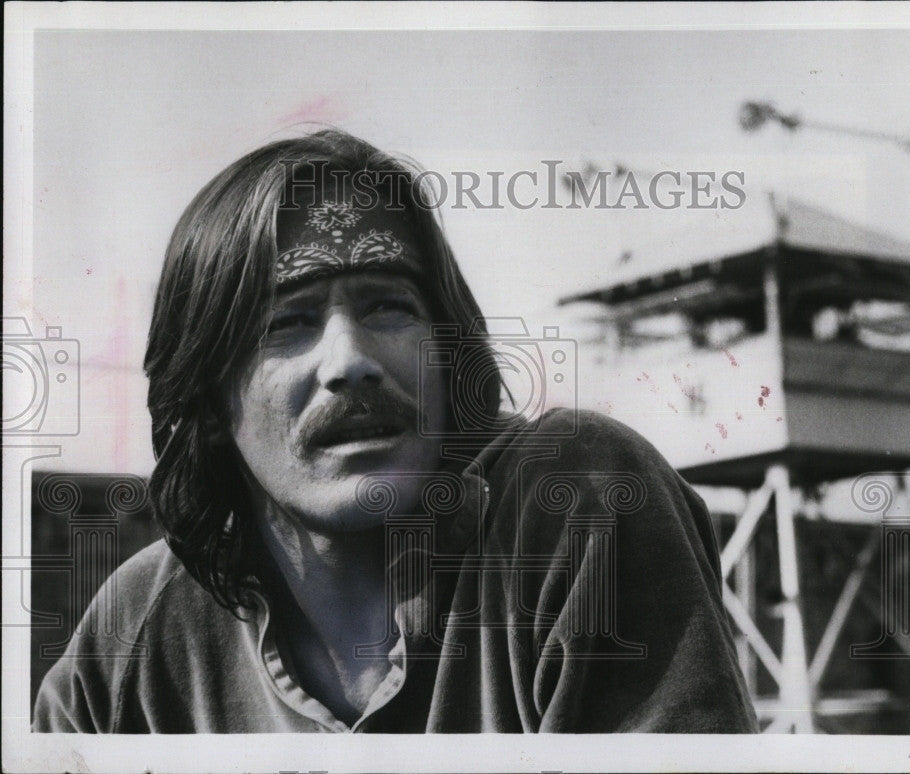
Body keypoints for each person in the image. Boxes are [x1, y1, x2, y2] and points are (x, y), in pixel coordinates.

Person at [33, 129, 758, 733]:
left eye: (388, 307)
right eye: (286, 322)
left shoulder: (578, 496)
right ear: (208, 397)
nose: (351, 361)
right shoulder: (133, 638)